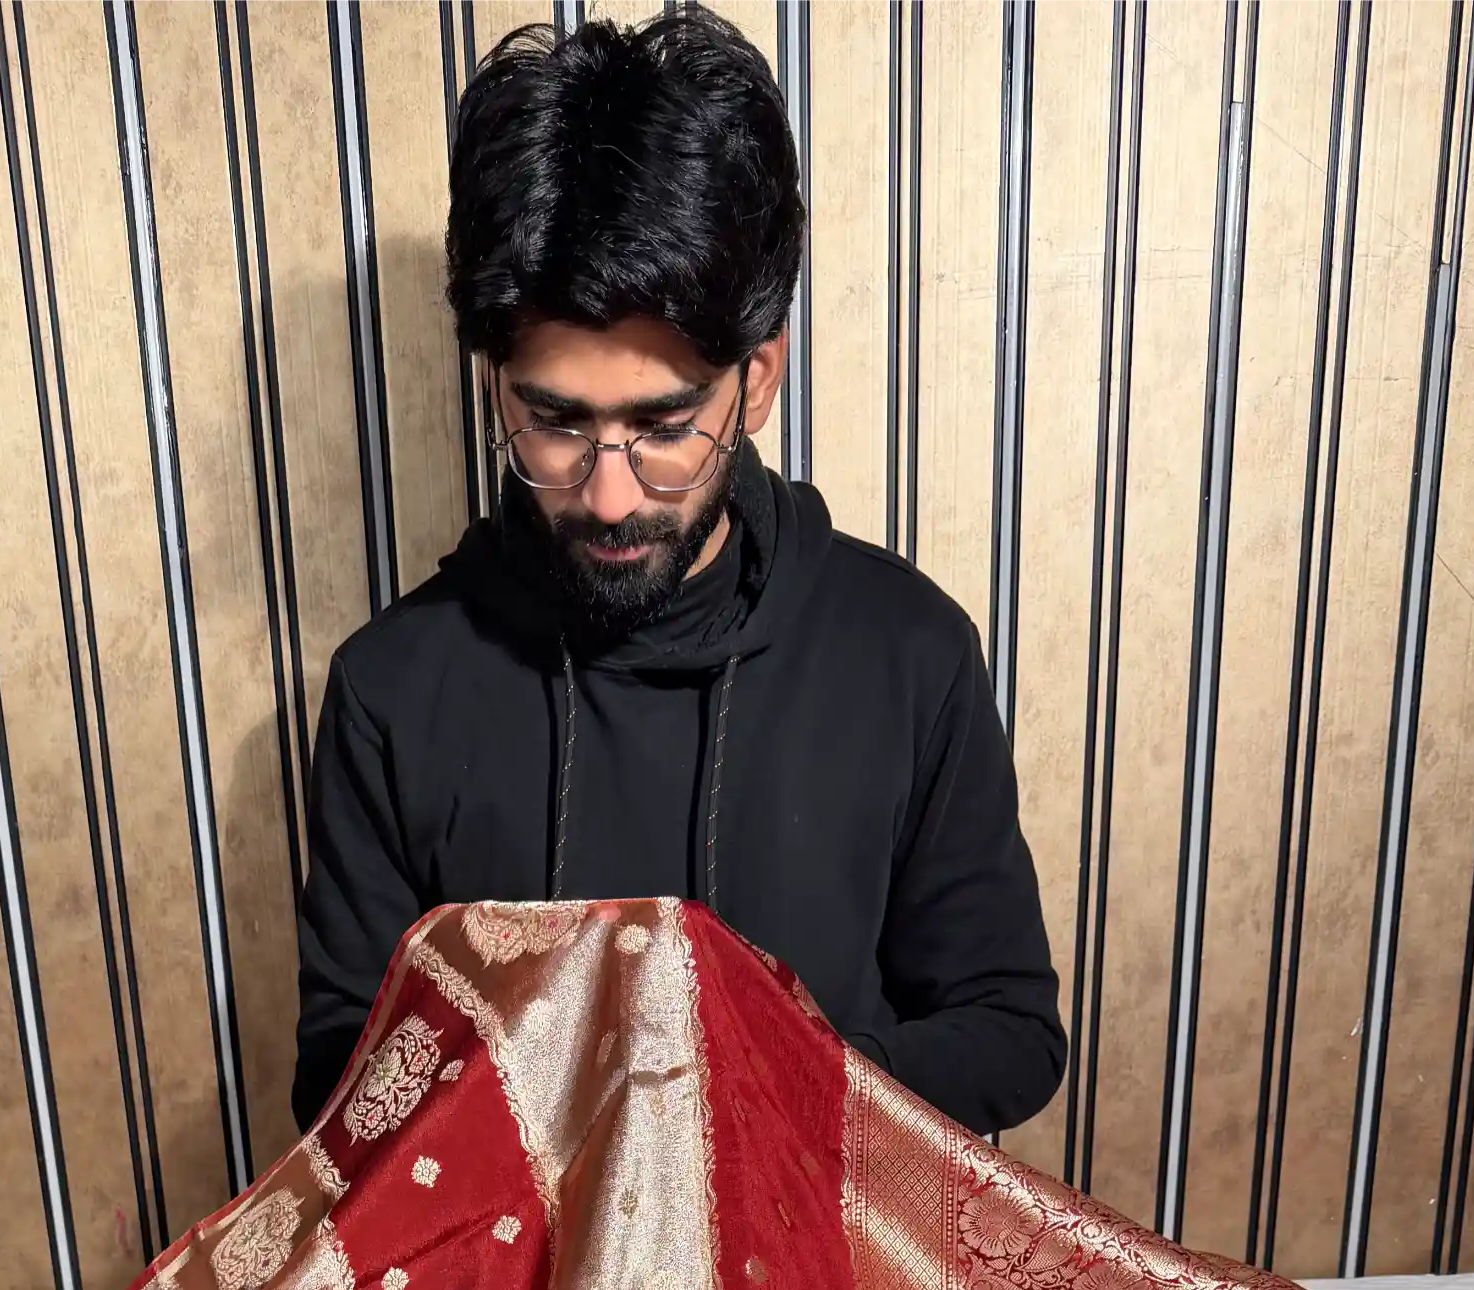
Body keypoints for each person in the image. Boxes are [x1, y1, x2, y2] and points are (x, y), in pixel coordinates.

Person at [292, 9, 1068, 1142]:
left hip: (824, 1275)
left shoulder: (905, 650)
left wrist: (738, 1075)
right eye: (554, 422)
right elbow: (339, 1079)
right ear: (493, 385)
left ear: (756, 379)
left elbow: (1007, 1033)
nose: (608, 494)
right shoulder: (392, 689)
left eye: (662, 425)